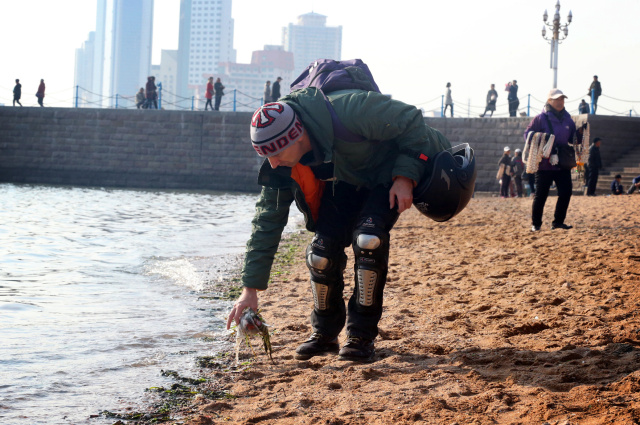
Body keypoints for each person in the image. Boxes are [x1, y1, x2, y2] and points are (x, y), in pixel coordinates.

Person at [226, 88, 452, 362]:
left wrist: (405, 176)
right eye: (265, 155)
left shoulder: (351, 109)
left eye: (275, 153)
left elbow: (411, 120)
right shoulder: (284, 164)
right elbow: (267, 221)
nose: (272, 164)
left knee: (369, 240)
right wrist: (250, 290)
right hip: (345, 181)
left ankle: (360, 336)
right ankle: (325, 334)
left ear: (296, 135)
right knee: (320, 254)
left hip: (386, 173)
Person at [525, 89, 580, 232]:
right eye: (557, 99)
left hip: (562, 164)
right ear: (549, 101)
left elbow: (572, 139)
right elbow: (527, 135)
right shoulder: (540, 118)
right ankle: (536, 224)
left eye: (562, 99)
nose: (560, 102)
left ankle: (558, 222)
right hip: (544, 164)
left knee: (566, 193)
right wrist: (543, 140)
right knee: (541, 195)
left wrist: (580, 134)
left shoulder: (568, 119)